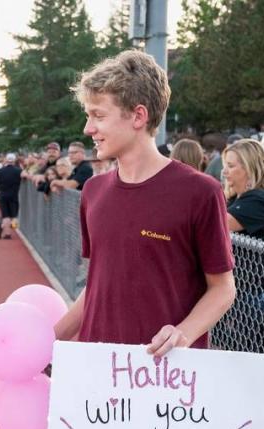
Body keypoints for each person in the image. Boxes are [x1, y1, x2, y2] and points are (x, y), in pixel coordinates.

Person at [55, 50, 235, 359]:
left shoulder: (200, 191)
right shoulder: (93, 190)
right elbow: (97, 287)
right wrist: (44, 342)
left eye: (98, 115)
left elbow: (222, 288)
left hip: (163, 378)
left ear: (138, 116)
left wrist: (184, 333)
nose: (88, 128)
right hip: (96, 369)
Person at [215, 138, 264, 420]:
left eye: (232, 166)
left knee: (250, 352)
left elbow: (217, 226)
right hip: (241, 288)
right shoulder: (240, 198)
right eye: (225, 165)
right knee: (231, 347)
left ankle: (253, 407)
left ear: (251, 168)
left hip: (255, 291)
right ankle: (244, 403)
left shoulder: (260, 198)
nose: (225, 172)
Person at [0, 152, 22, 240]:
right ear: (14, 160)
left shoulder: (0, 171)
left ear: (6, 160)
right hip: (14, 196)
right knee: (13, 216)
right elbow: (24, 175)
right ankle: (6, 232)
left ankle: (4, 230)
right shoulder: (18, 171)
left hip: (2, 195)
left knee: (5, 215)